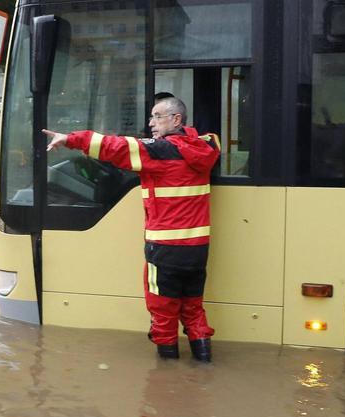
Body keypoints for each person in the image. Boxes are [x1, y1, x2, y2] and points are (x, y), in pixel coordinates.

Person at [43, 96, 221, 362]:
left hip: (165, 250)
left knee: (163, 312)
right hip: (198, 249)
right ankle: (203, 366)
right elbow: (208, 140)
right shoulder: (204, 146)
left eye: (157, 116)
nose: (151, 123)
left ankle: (168, 376)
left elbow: (116, 147)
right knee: (193, 307)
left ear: (176, 119)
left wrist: (70, 139)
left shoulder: (161, 151)